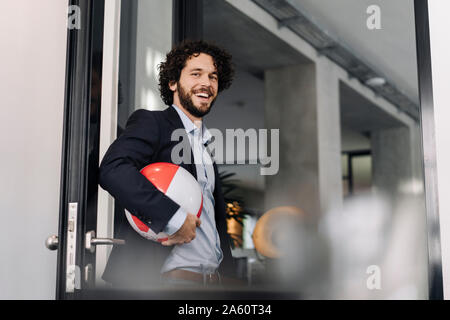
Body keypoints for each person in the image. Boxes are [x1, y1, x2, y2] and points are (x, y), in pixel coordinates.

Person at [98, 40, 237, 289]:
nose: (206, 82)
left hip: (213, 285)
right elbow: (113, 169)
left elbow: (213, 223)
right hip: (163, 285)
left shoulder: (204, 150)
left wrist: (230, 278)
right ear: (173, 82)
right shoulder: (152, 123)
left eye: (213, 77)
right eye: (196, 74)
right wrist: (173, 217)